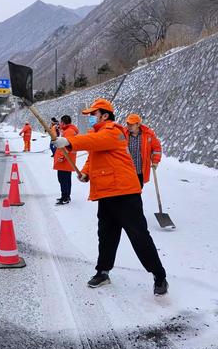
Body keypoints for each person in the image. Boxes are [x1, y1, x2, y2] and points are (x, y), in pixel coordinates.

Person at [52, 98, 168, 296]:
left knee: (139, 236)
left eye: (93, 114)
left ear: (104, 115)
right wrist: (86, 173)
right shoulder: (98, 134)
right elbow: (93, 155)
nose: (90, 118)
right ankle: (103, 271)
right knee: (106, 236)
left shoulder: (114, 131)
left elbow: (95, 142)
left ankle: (159, 276)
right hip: (106, 193)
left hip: (125, 193)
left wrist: (70, 142)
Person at [125, 113, 162, 188]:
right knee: (126, 194)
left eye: (132, 124)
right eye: (128, 124)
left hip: (140, 171)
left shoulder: (148, 134)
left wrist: (155, 162)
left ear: (138, 124)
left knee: (137, 192)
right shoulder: (123, 134)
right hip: (126, 171)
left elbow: (157, 149)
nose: (129, 126)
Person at [53, 115, 79, 205]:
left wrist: (61, 156)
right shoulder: (69, 131)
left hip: (65, 160)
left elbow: (66, 146)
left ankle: (65, 197)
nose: (59, 124)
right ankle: (66, 196)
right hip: (67, 159)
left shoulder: (69, 132)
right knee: (66, 179)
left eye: (61, 122)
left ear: (63, 122)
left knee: (63, 179)